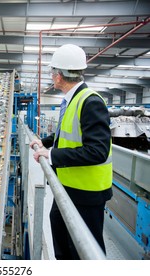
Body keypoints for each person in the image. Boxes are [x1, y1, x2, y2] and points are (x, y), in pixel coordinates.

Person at [30, 44, 113, 260]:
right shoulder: (72, 100)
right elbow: (66, 135)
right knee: (60, 237)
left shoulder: (90, 102)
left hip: (87, 192)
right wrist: (44, 141)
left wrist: (52, 155)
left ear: (58, 76)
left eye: (52, 72)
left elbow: (97, 151)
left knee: (84, 250)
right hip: (68, 186)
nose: (51, 76)